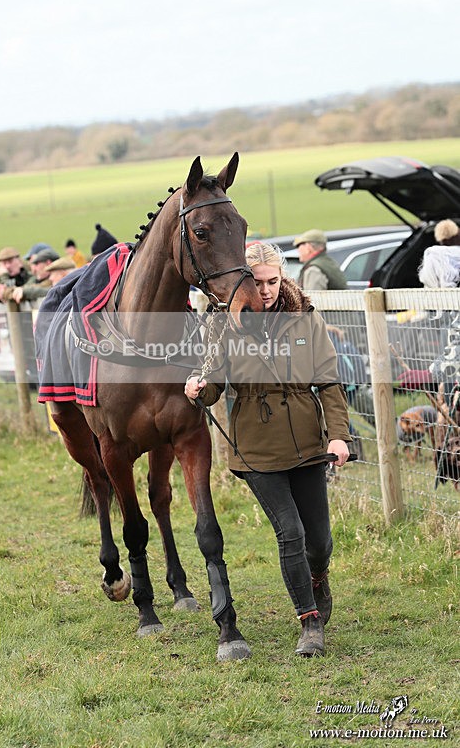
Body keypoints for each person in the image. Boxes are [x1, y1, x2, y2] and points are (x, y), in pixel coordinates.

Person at [184, 242, 351, 657]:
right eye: (257, 283)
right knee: (289, 532)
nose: (265, 290)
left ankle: (317, 577)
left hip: (308, 440)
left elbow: (328, 381)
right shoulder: (223, 323)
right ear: (244, 280)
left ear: (283, 277)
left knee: (320, 542)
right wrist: (199, 391)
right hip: (256, 446)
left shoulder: (304, 318)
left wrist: (339, 435)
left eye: (272, 281)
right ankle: (309, 622)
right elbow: (215, 381)